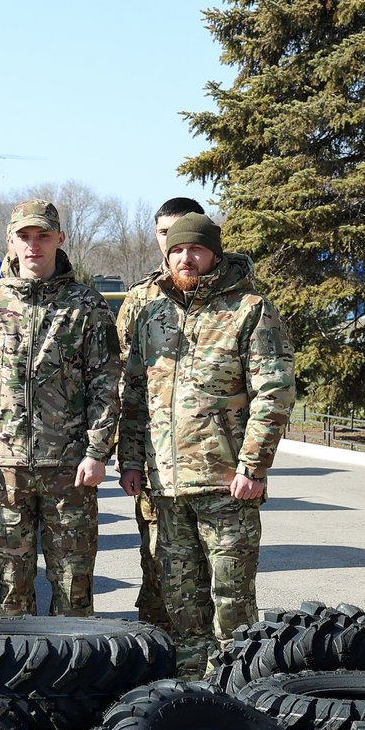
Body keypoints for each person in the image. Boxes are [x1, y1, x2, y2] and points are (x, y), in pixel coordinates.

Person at [120, 213, 294, 676]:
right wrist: (131, 460)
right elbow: (134, 394)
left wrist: (252, 467)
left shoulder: (250, 310)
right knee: (180, 599)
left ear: (214, 253)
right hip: (167, 486)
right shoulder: (152, 313)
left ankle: (241, 690)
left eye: (195, 249)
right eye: (177, 249)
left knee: (232, 600)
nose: (185, 257)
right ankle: (193, 691)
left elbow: (273, 392)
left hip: (225, 485)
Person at [0, 200, 120, 617]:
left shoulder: (86, 305)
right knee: (9, 586)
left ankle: (75, 675)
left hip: (69, 468)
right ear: (10, 242)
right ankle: (14, 675)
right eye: (25, 237)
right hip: (6, 466)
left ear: (59, 240)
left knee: (73, 584)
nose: (34, 246)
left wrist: (97, 452)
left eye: (43, 236)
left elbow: (105, 384)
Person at [116, 196, 215, 627]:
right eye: (165, 235)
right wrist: (128, 453)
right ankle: (156, 638)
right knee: (155, 555)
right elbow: (125, 378)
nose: (174, 245)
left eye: (185, 235)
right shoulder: (141, 299)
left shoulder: (229, 298)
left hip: (209, 461)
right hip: (155, 456)